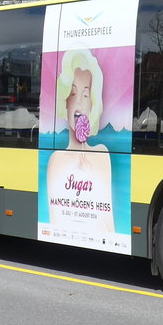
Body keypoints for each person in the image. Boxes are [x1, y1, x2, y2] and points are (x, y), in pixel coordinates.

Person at [45, 48, 114, 233]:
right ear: (64, 101)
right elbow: (54, 224)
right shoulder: (55, 160)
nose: (79, 103)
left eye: (86, 95)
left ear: (93, 103)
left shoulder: (102, 154)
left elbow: (109, 225)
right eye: (73, 94)